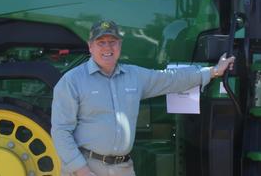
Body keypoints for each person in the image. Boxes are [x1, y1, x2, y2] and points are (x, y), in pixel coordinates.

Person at [51, 19, 235, 176]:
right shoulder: (72, 81)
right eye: (101, 42)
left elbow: (170, 79)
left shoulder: (134, 76)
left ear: (120, 45)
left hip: (123, 168)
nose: (108, 47)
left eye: (112, 42)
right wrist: (81, 170)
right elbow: (61, 131)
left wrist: (213, 71)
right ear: (90, 46)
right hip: (87, 167)